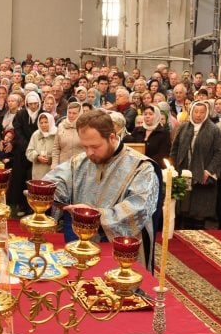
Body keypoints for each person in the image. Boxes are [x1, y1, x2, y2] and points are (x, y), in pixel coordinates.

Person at [43, 109, 159, 269]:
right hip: (82, 248)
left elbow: (139, 208)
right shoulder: (80, 161)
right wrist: (45, 193)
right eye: (85, 147)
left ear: (112, 137)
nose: (89, 153)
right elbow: (55, 181)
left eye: (95, 146)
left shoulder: (141, 167)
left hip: (121, 255)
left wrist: (94, 215)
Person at [169, 101, 221, 230]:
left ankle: (198, 235)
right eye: (196, 111)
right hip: (183, 172)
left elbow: (220, 152)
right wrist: (172, 166)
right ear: (191, 112)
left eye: (202, 112)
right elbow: (175, 148)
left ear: (206, 113)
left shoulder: (213, 129)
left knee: (199, 210)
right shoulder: (183, 127)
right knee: (184, 208)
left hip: (202, 174)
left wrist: (209, 171)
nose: (198, 115)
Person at [51, 101, 83, 167]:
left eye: (74, 113)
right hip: (63, 166)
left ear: (80, 113)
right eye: (69, 112)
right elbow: (56, 148)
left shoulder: (84, 127)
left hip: (80, 166)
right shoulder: (61, 126)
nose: (71, 115)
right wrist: (54, 164)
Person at [26, 112, 56, 180]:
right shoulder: (36, 134)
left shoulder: (57, 134)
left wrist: (50, 159)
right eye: (41, 123)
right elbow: (29, 151)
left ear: (50, 122)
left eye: (46, 122)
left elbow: (61, 152)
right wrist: (37, 157)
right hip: (38, 172)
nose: (43, 125)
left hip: (52, 172)